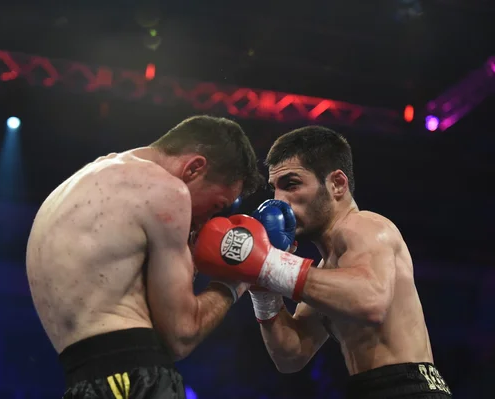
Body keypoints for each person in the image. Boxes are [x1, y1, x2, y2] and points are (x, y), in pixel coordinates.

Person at [193, 125, 452, 398]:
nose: (279, 200)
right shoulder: (327, 271)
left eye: (292, 184)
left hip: (410, 389)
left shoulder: (367, 226)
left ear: (337, 184)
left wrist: (268, 264)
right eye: (275, 189)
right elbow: (291, 355)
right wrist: (262, 285)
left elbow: (370, 301)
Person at [26, 115, 264, 398]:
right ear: (194, 168)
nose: (206, 221)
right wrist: (235, 281)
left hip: (83, 382)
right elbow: (181, 336)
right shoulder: (167, 190)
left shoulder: (76, 186)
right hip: (136, 381)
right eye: (215, 206)